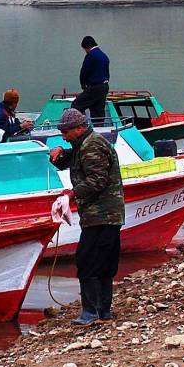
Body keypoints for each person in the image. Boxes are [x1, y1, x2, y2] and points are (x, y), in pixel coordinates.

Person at [49, 107, 124, 325]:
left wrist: (71, 194)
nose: (63, 135)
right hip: (103, 215)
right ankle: (103, 311)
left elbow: (96, 181)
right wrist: (59, 155)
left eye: (66, 132)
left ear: (79, 128)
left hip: (102, 214)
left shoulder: (92, 145)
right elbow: (74, 159)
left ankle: (91, 312)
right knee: (103, 262)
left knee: (88, 261)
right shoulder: (83, 144)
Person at [72, 36, 109, 125]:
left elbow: (84, 71)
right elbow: (107, 73)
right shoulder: (104, 56)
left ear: (86, 47)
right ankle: (99, 129)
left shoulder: (91, 55)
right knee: (98, 111)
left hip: (94, 87)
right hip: (104, 86)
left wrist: (83, 84)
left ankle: (81, 126)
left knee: (77, 105)